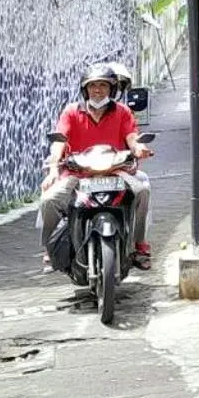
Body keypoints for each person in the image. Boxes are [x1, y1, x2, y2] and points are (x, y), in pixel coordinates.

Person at [40, 63, 153, 271]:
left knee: (142, 190)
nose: (98, 90)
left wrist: (139, 148)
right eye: (93, 86)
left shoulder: (123, 112)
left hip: (115, 170)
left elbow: (132, 138)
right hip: (78, 173)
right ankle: (49, 247)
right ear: (85, 89)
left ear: (112, 89)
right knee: (49, 199)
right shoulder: (71, 112)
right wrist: (54, 167)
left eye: (103, 85)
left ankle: (139, 245)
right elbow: (59, 141)